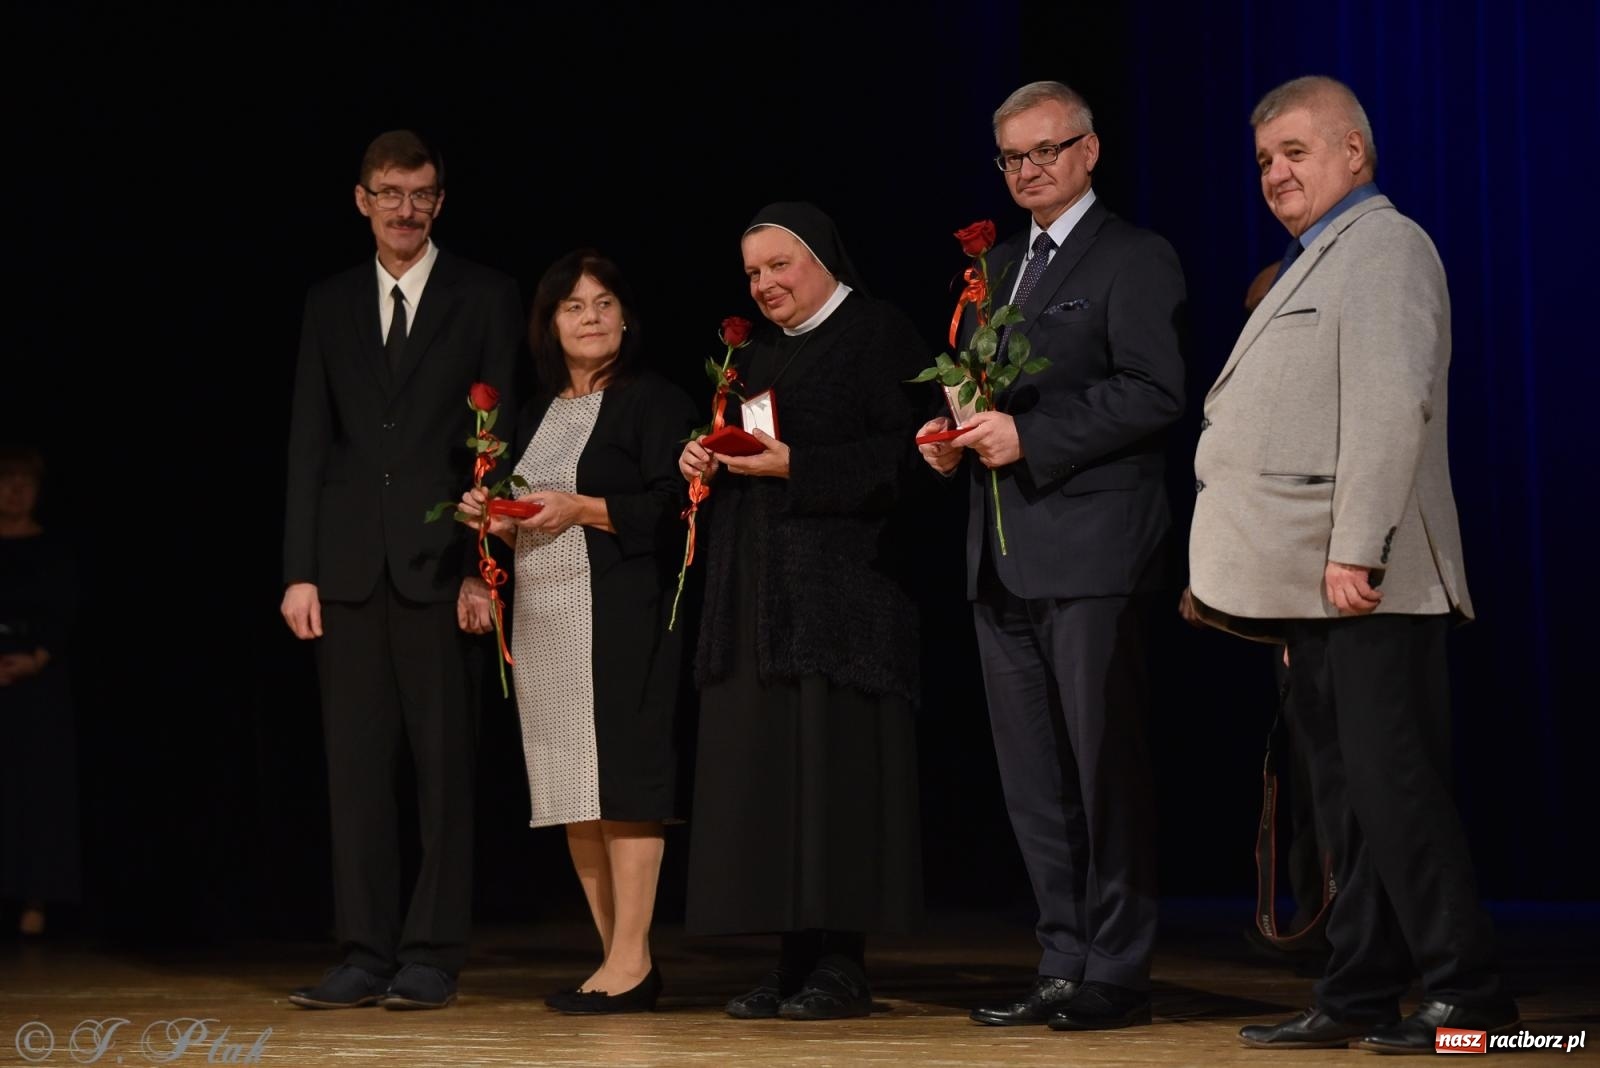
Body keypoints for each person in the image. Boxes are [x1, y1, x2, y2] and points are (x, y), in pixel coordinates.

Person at [1188, 75, 1516, 1052]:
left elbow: (1387, 406)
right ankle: (1355, 992)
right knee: (1345, 801)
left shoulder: (1382, 248)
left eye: (1295, 151)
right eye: (1262, 161)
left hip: (1369, 581)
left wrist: (1352, 551)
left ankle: (1472, 998)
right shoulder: (1313, 262)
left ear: (1353, 154)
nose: (1275, 173)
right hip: (1320, 593)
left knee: (1395, 788)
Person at [918, 80, 1186, 1032]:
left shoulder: (1134, 256)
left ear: (1088, 151)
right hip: (1000, 554)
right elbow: (982, 391)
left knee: (1103, 766)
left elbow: (1157, 391)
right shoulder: (992, 270)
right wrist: (951, 434)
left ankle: (1119, 965)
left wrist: (1035, 438)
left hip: (1093, 551)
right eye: (1011, 158)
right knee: (1032, 777)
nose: (1028, 170)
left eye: (1045, 152)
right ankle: (1061, 957)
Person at [280, 130, 523, 1010]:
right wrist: (298, 570)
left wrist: (480, 566)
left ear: (440, 202)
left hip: (438, 567)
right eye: (388, 193)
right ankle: (363, 950)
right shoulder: (330, 300)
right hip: (345, 570)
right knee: (354, 773)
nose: (404, 210)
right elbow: (311, 440)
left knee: (445, 774)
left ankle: (430, 951)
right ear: (361, 200)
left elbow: (492, 445)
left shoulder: (486, 297)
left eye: (420, 194)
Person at [678, 202, 924, 1021]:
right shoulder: (756, 356)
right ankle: (792, 959)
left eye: (779, 266)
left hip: (841, 600)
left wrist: (799, 467)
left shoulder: (879, 331)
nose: (764, 284)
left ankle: (842, 964)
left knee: (836, 779)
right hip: (759, 600)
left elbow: (911, 457)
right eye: (752, 272)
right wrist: (702, 455)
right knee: (779, 784)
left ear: (823, 259)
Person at [457, 250, 695, 1014]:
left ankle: (631, 961)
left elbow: (674, 509)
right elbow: (526, 511)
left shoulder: (654, 400)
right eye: (572, 306)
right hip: (545, 617)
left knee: (624, 787)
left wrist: (581, 507)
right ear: (550, 324)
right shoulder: (532, 413)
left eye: (602, 303)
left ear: (625, 315)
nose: (589, 317)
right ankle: (618, 959)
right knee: (573, 790)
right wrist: (488, 522)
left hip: (621, 614)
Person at [0, 447, 82, 938]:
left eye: (23, 482)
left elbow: (65, 609)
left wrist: (37, 657)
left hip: (38, 682)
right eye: (5, 479)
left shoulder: (52, 549)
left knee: (37, 789)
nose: (14, 490)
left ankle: (36, 899)